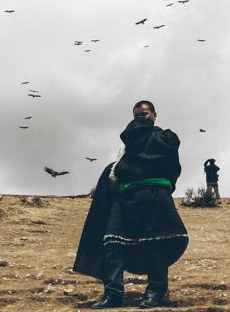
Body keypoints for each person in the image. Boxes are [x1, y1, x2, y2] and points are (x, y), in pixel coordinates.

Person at [74, 100, 188, 309]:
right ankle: (113, 294)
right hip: (125, 197)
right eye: (137, 114)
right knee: (113, 243)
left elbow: (171, 167)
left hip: (155, 195)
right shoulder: (125, 145)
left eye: (145, 113)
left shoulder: (166, 139)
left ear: (154, 115)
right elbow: (120, 168)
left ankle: (155, 292)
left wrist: (161, 185)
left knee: (156, 244)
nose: (141, 117)